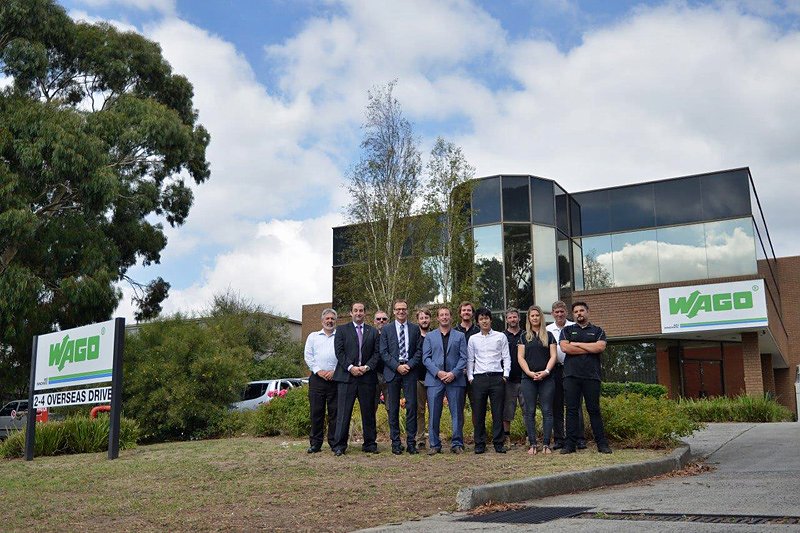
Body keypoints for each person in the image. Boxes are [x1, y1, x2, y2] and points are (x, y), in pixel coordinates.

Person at [559, 301, 612, 454]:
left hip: (591, 376)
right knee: (571, 411)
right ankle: (570, 445)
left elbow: (600, 347)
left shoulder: (598, 331)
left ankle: (602, 444)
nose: (579, 314)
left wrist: (576, 344)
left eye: (581, 310)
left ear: (587, 312)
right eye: (576, 312)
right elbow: (565, 348)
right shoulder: (567, 330)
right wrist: (589, 347)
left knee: (594, 410)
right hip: (571, 376)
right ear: (573, 314)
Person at [332, 302, 380, 456]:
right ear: (351, 313)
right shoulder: (341, 330)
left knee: (368, 413)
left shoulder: (373, 332)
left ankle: (370, 444)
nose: (358, 313)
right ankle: (339, 445)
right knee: (343, 413)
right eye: (355, 310)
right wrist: (350, 367)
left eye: (361, 310)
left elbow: (377, 354)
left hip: (367, 377)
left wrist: (366, 367)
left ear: (365, 313)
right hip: (347, 377)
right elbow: (339, 352)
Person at [380, 299, 423, 455]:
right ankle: (396, 443)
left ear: (407, 310)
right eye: (398, 309)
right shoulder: (386, 329)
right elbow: (383, 352)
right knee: (393, 409)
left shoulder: (415, 329)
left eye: (403, 309)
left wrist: (409, 365)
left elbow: (419, 351)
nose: (401, 311)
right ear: (394, 311)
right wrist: (397, 366)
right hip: (393, 372)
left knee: (411, 407)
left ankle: (411, 443)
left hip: (410, 372)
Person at [423, 306, 468, 455]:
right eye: (441, 315)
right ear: (437, 318)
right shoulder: (430, 336)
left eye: (446, 314)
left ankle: (457, 443)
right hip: (435, 380)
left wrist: (454, 373)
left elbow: (464, 357)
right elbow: (426, 358)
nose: (444, 317)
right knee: (434, 414)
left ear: (451, 317)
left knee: (457, 414)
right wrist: (438, 372)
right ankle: (435, 444)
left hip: (455, 380)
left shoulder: (460, 336)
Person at [467, 307, 510, 454]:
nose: (484, 321)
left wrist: (505, 375)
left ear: (491, 320)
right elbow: (470, 359)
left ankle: (499, 443)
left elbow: (506, 357)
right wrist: (471, 378)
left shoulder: (500, 336)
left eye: (486, 318)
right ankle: (480, 443)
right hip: (479, 379)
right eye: (481, 319)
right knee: (479, 413)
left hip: (497, 377)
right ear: (477, 322)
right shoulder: (473, 339)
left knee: (497, 412)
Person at [518, 305, 558, 455]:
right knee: (530, 411)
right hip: (528, 379)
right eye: (532, 316)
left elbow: (553, 356)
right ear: (528, 318)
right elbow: (520, 357)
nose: (535, 318)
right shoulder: (523, 337)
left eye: (537, 315)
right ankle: (533, 444)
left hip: (547, 378)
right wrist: (529, 373)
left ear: (541, 317)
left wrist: (546, 372)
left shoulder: (549, 335)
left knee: (547, 411)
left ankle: (546, 444)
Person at [546, 301, 586, 450]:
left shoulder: (574, 327)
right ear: (552, 314)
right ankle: (559, 439)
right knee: (556, 406)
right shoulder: (547, 330)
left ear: (566, 312)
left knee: (575, 405)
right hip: (555, 370)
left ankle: (579, 438)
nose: (559, 314)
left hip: (572, 369)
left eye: (562, 311)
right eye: (556, 312)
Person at [303, 307, 339, 453]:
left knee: (335, 413)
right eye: (327, 318)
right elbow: (308, 356)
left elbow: (344, 355)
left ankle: (335, 443)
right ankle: (315, 444)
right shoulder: (313, 336)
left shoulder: (340, 336)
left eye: (332, 319)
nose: (329, 321)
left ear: (336, 321)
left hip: (335, 379)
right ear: (322, 320)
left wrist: (335, 371)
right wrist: (319, 371)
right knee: (316, 412)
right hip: (317, 379)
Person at [502, 308, 525, 448]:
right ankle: (507, 439)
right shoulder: (502, 336)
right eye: (510, 317)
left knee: (527, 409)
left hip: (525, 378)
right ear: (506, 320)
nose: (512, 319)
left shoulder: (526, 335)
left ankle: (529, 437)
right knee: (507, 411)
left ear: (519, 318)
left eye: (515, 317)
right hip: (508, 380)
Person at [454, 301, 480, 429]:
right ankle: (458, 436)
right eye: (464, 310)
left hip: (476, 375)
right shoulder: (453, 332)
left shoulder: (479, 331)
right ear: (460, 313)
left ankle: (478, 435)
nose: (466, 312)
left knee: (477, 407)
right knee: (458, 408)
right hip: (458, 376)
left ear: (472, 313)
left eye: (469, 310)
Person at [415, 307, 432, 449]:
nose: (424, 320)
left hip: (433, 378)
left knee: (434, 410)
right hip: (417, 378)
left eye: (426, 317)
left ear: (430, 319)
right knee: (419, 410)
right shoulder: (413, 336)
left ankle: (433, 438)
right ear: (418, 320)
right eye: (421, 318)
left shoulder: (435, 335)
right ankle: (420, 439)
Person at [373, 309, 389, 411]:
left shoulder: (392, 336)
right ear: (374, 321)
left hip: (389, 375)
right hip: (373, 375)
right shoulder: (370, 335)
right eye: (378, 319)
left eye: (384, 319)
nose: (381, 320)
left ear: (388, 321)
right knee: (371, 407)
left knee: (391, 407)